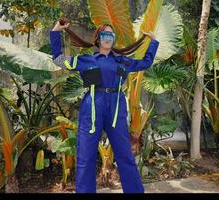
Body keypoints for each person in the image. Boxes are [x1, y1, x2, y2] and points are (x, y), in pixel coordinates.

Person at [49, 19, 159, 193]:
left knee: (125, 154)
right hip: (92, 106)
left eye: (111, 34)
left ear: (113, 39)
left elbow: (145, 63)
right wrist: (55, 32)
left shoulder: (122, 61)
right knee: (86, 156)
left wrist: (153, 41)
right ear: (98, 39)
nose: (108, 37)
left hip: (116, 107)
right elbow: (59, 60)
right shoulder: (86, 60)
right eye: (104, 34)